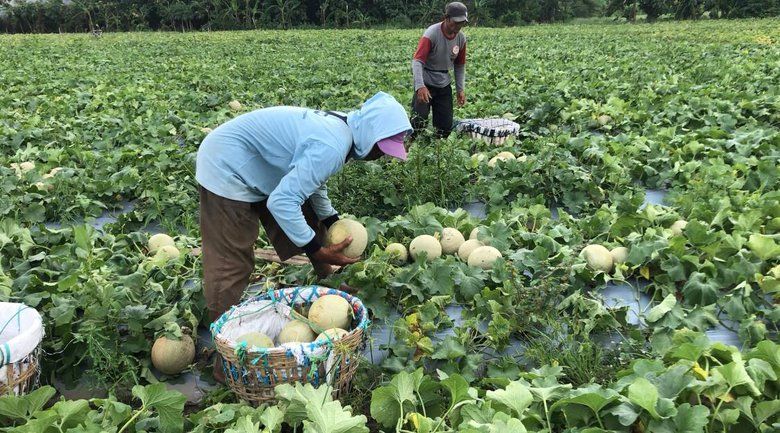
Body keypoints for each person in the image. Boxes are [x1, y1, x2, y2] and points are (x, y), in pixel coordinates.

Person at [196, 91, 412, 327]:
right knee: (231, 263)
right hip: (226, 165)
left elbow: (313, 182)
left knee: (310, 214)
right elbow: (281, 202)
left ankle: (327, 281)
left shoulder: (344, 129)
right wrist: (317, 249)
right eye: (381, 148)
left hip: (256, 162)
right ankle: (224, 338)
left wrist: (331, 220)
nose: (380, 156)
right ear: (370, 134)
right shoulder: (333, 144)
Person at [410, 1, 468, 139]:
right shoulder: (431, 34)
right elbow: (417, 61)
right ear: (446, 18)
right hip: (426, 83)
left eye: (462, 23)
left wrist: (460, 89)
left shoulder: (461, 38)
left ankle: (437, 149)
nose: (458, 26)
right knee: (418, 121)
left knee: (445, 126)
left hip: (444, 83)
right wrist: (420, 86)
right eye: (456, 22)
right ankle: (409, 146)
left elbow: (459, 65)